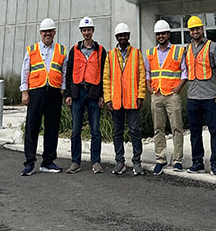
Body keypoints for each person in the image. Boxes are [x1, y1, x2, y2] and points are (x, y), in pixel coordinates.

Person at [19, 17, 67, 176]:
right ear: (40, 33)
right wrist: (24, 91)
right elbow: (25, 70)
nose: (47, 34)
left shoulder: (61, 50)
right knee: (32, 126)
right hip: (36, 92)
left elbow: (64, 72)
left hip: (54, 92)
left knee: (52, 128)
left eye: (50, 31)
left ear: (54, 32)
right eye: (45, 31)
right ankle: (29, 162)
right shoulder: (32, 49)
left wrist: (62, 89)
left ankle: (48, 162)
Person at [185, 15, 216, 177]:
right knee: (195, 132)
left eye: (197, 28)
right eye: (192, 29)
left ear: (202, 29)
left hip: (210, 96)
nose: (195, 32)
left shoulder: (213, 47)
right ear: (189, 31)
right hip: (193, 97)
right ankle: (197, 162)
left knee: (214, 131)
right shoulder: (186, 49)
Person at [64, 16, 106, 174]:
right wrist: (68, 94)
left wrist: (102, 94)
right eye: (84, 30)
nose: (86, 33)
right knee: (76, 130)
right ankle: (75, 162)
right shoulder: (74, 50)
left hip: (94, 93)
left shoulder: (101, 50)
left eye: (89, 30)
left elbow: (104, 73)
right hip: (77, 93)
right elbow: (68, 73)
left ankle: (96, 161)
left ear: (93, 31)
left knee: (95, 130)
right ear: (81, 32)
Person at [103, 22, 146, 175]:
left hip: (133, 100)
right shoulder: (110, 55)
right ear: (116, 37)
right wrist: (108, 98)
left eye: (124, 35)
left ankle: (137, 162)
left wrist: (141, 95)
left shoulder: (136, 53)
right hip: (115, 101)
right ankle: (119, 161)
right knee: (117, 132)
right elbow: (106, 78)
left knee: (135, 131)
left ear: (128, 36)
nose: (122, 38)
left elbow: (141, 76)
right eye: (120, 35)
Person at [145, 19, 187, 175]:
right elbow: (148, 72)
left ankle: (177, 161)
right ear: (156, 36)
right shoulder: (150, 53)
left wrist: (179, 87)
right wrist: (148, 86)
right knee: (158, 128)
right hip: (156, 94)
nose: (161, 36)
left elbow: (184, 72)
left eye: (163, 33)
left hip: (172, 95)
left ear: (168, 34)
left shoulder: (177, 51)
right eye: (158, 34)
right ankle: (160, 159)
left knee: (177, 128)